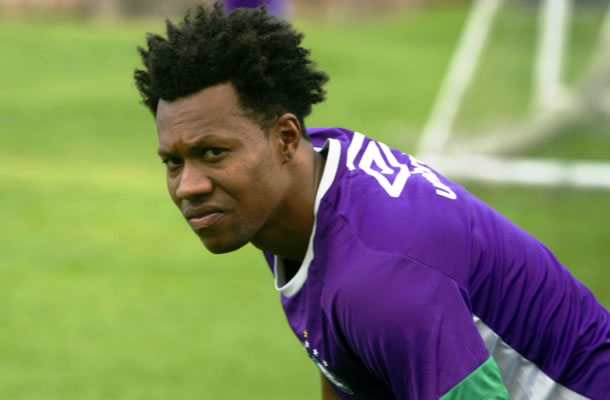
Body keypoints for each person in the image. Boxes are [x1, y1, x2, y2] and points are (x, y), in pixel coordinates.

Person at [133, 3, 610, 399]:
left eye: (212, 153)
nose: (188, 186)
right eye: (172, 162)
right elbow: (343, 360)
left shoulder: (380, 275)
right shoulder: (300, 184)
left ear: (285, 138)